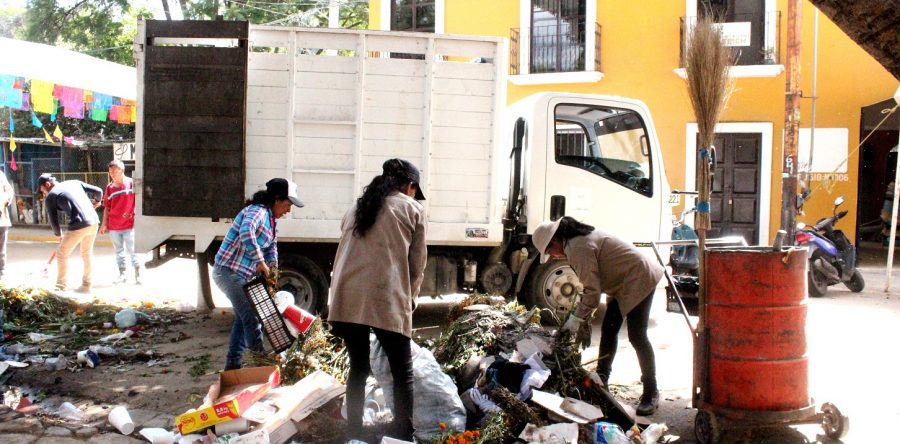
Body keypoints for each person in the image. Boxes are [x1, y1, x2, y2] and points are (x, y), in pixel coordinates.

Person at [327, 158, 427, 441]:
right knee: (402, 372)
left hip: (346, 299)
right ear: (410, 186)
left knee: (358, 368)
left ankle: (354, 432)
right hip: (385, 297)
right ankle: (403, 435)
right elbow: (416, 265)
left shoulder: (356, 207)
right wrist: (411, 300)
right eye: (414, 190)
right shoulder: (413, 209)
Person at [532, 216, 664, 416]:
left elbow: (592, 294)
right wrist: (580, 314)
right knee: (609, 330)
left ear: (555, 241)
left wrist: (575, 320)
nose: (553, 256)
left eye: (550, 251)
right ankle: (601, 381)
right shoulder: (574, 241)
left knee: (637, 336)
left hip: (639, 276)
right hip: (621, 281)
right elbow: (592, 287)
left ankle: (651, 391)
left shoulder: (577, 247)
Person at [213, 178, 304, 370]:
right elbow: (246, 232)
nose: (288, 210)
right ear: (277, 200)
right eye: (287, 205)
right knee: (252, 317)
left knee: (242, 317)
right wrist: (260, 261)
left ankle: (233, 365)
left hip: (243, 275)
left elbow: (272, 248)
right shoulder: (257, 211)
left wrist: (273, 269)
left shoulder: (271, 221)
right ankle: (261, 364)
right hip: (228, 272)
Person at [36, 174, 103, 293]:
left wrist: (59, 235)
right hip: (94, 222)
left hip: (79, 224)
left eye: (42, 190)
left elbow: (53, 219)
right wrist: (97, 202)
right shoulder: (74, 182)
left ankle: (61, 286)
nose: (43, 193)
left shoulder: (51, 196)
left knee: (61, 254)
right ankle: (87, 285)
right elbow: (98, 191)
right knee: (86, 253)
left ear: (47, 185)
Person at [99, 160, 141, 284]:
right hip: (114, 226)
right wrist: (104, 224)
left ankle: (138, 275)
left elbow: (139, 201)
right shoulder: (109, 188)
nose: (112, 174)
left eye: (114, 171)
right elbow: (107, 207)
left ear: (121, 170)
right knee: (119, 251)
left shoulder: (132, 184)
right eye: (110, 172)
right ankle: (122, 274)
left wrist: (134, 214)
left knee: (133, 250)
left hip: (129, 224)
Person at [0, 170, 14, 281]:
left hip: (1, 219)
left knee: (1, 248)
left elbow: (9, 191)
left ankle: (2, 270)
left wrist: (6, 201)